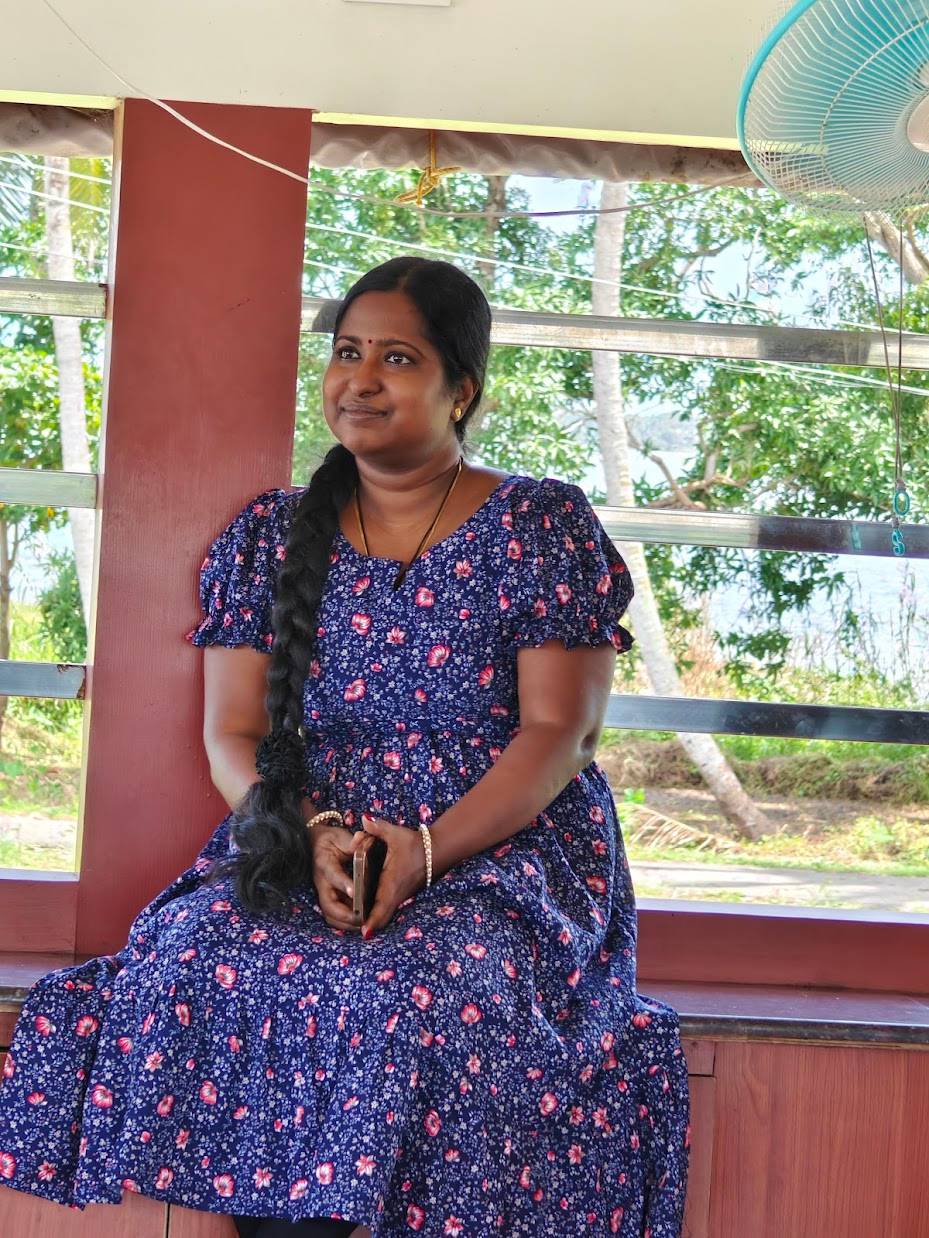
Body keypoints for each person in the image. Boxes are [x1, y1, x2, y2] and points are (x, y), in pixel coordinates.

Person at [0, 256, 690, 1236]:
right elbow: (231, 733)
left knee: (418, 983)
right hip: (307, 834)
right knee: (197, 953)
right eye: (345, 352)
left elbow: (560, 733)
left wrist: (421, 849)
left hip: (499, 845)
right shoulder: (273, 535)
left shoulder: (538, 524)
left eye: (396, 357)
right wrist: (315, 832)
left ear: (463, 390)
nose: (359, 378)